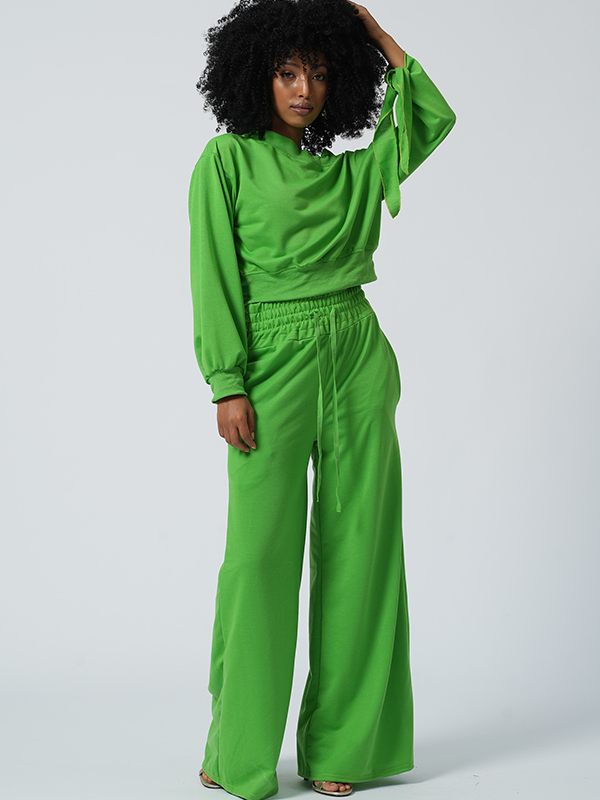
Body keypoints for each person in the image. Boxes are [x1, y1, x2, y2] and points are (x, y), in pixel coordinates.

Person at [187, 1, 456, 798]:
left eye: (320, 73)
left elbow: (431, 119)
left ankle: (342, 751)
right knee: (258, 558)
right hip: (271, 361)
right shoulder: (227, 162)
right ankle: (238, 753)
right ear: (256, 76)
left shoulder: (351, 172)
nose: (304, 89)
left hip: (357, 353)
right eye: (287, 72)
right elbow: (212, 274)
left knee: (359, 549)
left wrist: (378, 40)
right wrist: (228, 382)